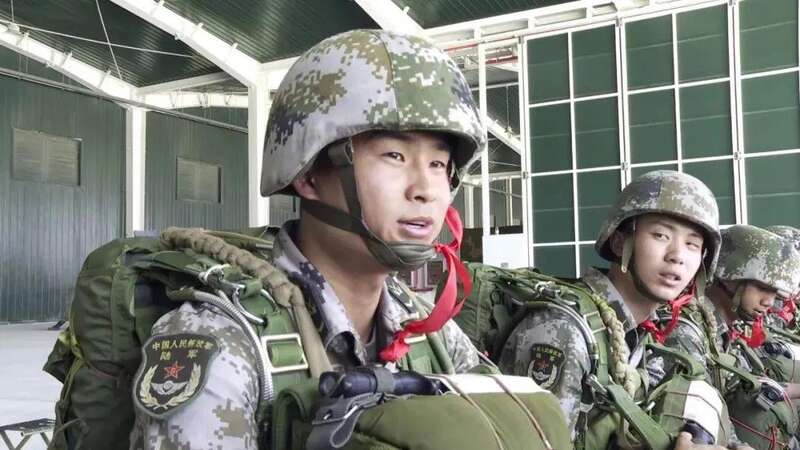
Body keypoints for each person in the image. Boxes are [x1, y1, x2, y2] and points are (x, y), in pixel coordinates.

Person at [128, 29, 489, 449]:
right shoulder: (221, 343)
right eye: (394, 155)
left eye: (439, 163)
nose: (425, 189)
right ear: (308, 175)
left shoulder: (428, 333)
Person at [498, 170, 731, 449]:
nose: (677, 256)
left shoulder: (641, 333)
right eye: (660, 235)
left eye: (692, 245)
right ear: (620, 243)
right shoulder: (564, 331)